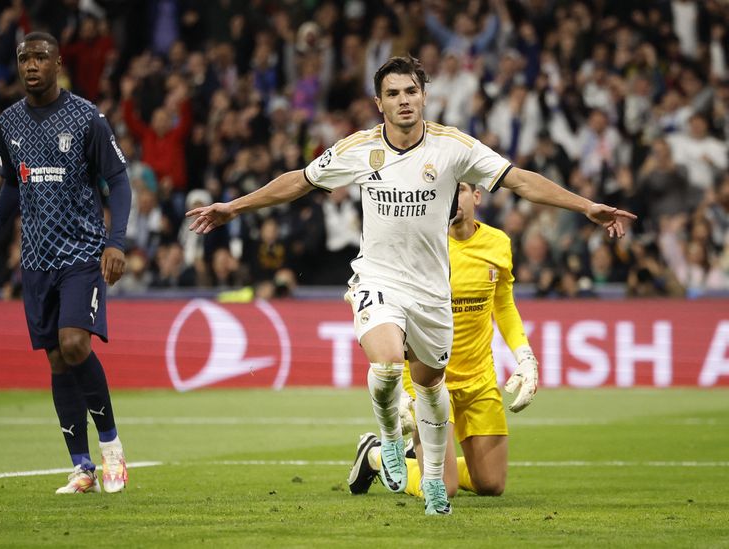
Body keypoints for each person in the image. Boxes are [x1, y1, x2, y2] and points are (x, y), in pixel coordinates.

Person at [187, 56, 634, 515]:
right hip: (378, 280)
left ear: (424, 95)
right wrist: (234, 208)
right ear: (378, 102)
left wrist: (587, 207)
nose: (404, 101)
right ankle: (388, 436)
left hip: (430, 293)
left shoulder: (453, 147)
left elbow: (519, 180)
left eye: (411, 92)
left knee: (433, 393)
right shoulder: (357, 148)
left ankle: (427, 477)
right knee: (384, 366)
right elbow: (299, 182)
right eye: (394, 93)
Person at [0, 32, 132, 495]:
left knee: (75, 343)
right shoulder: (9, 122)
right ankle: (82, 468)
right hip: (36, 260)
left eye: (41, 57)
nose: (31, 65)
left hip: (82, 254)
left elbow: (118, 182)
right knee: (58, 360)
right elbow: (11, 185)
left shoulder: (86, 119)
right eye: (24, 58)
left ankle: (113, 451)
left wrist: (114, 242)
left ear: (58, 62)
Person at [347, 182, 537, 501]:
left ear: (477, 195)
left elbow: (503, 304)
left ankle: (397, 456)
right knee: (443, 488)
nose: (452, 199)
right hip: (430, 376)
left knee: (491, 484)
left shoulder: (498, 243)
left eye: (460, 190)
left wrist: (525, 356)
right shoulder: (420, 244)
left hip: (479, 378)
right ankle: (375, 456)